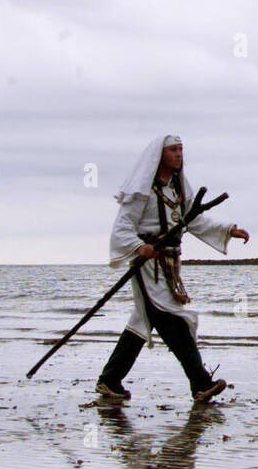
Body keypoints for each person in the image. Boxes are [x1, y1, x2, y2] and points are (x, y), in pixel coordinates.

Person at [95, 134, 249, 404]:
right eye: (173, 150)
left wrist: (228, 230)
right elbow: (122, 227)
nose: (179, 154)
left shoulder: (177, 190)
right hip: (147, 267)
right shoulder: (142, 190)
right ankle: (200, 383)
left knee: (143, 321)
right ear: (159, 155)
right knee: (175, 320)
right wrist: (138, 246)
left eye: (181, 149)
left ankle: (110, 380)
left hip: (169, 266)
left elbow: (194, 220)